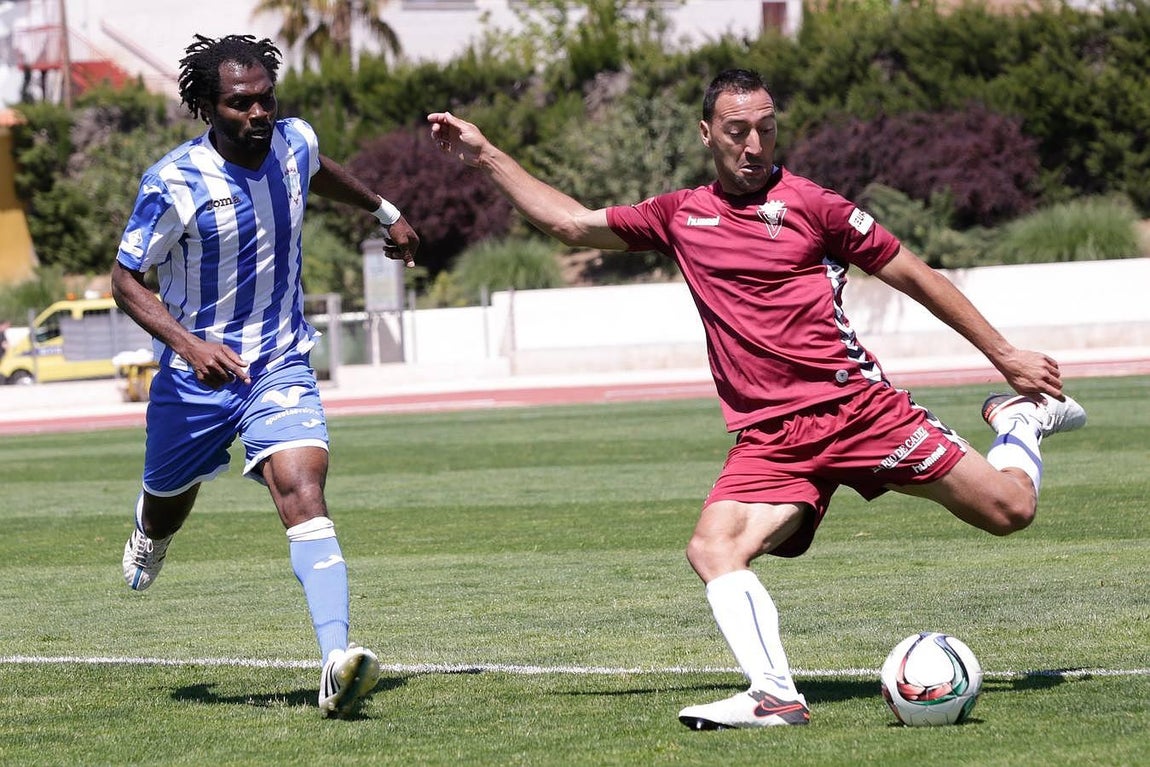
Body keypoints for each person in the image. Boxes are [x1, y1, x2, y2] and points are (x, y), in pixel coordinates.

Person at [427, 68, 1086, 730]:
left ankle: (1019, 421)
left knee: (1011, 510)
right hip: (772, 439)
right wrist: (486, 154)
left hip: (856, 410)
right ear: (707, 132)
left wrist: (1003, 355)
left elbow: (914, 273)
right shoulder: (679, 214)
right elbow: (570, 222)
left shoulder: (816, 206)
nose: (753, 145)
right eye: (737, 131)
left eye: (766, 131)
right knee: (713, 546)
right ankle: (774, 695)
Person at [112, 34, 419, 719]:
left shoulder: (294, 141)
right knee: (169, 497)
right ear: (206, 106)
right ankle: (151, 531)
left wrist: (383, 211)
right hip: (195, 378)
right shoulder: (174, 182)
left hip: (279, 361)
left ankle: (335, 662)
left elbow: (319, 168)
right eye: (240, 102)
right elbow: (126, 278)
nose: (258, 113)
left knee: (303, 486)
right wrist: (188, 344)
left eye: (265, 99)